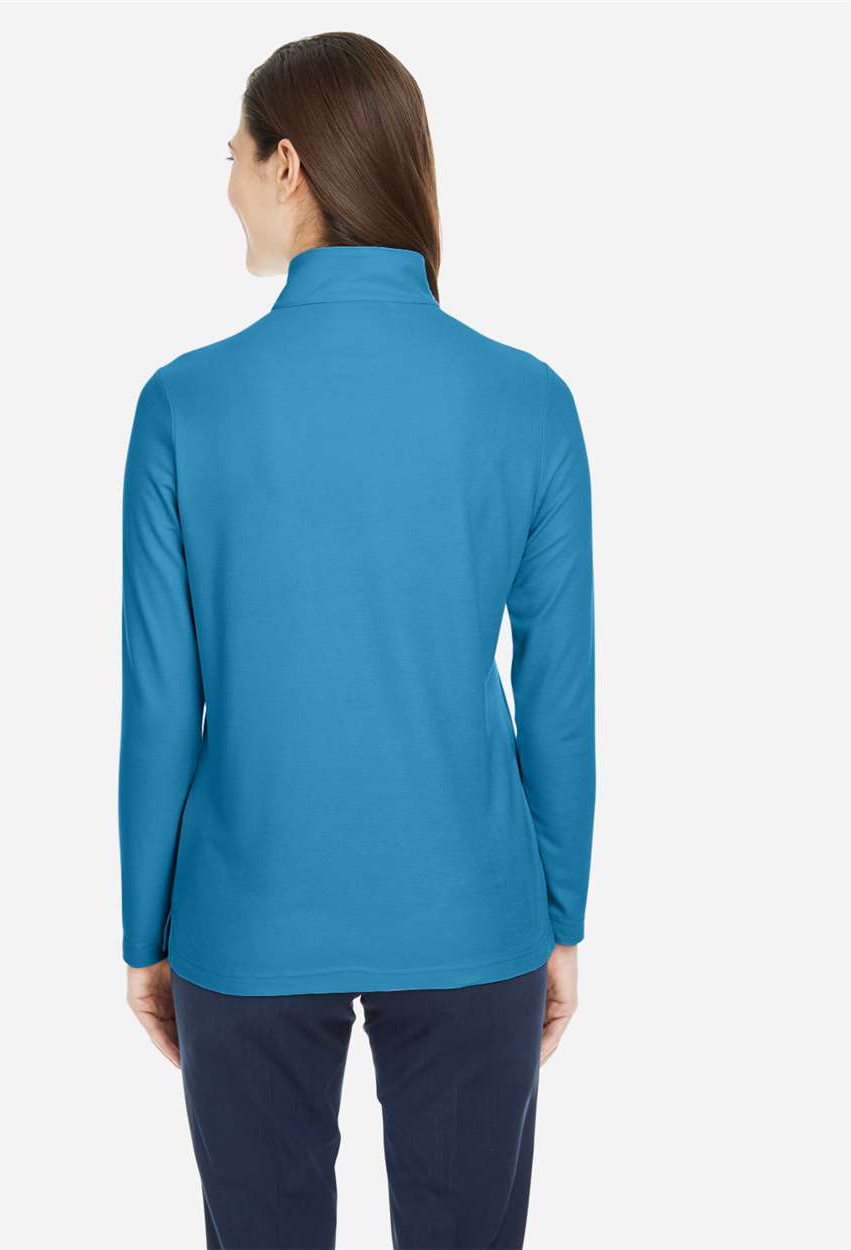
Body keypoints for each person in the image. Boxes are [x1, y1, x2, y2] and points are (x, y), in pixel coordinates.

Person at [118, 31, 595, 1250]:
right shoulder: (529, 401)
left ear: (287, 166)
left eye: (232, 156)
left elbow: (161, 703)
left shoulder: (183, 404)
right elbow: (558, 696)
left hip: (243, 919)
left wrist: (147, 932)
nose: (227, 185)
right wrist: (559, 914)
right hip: (475, 912)